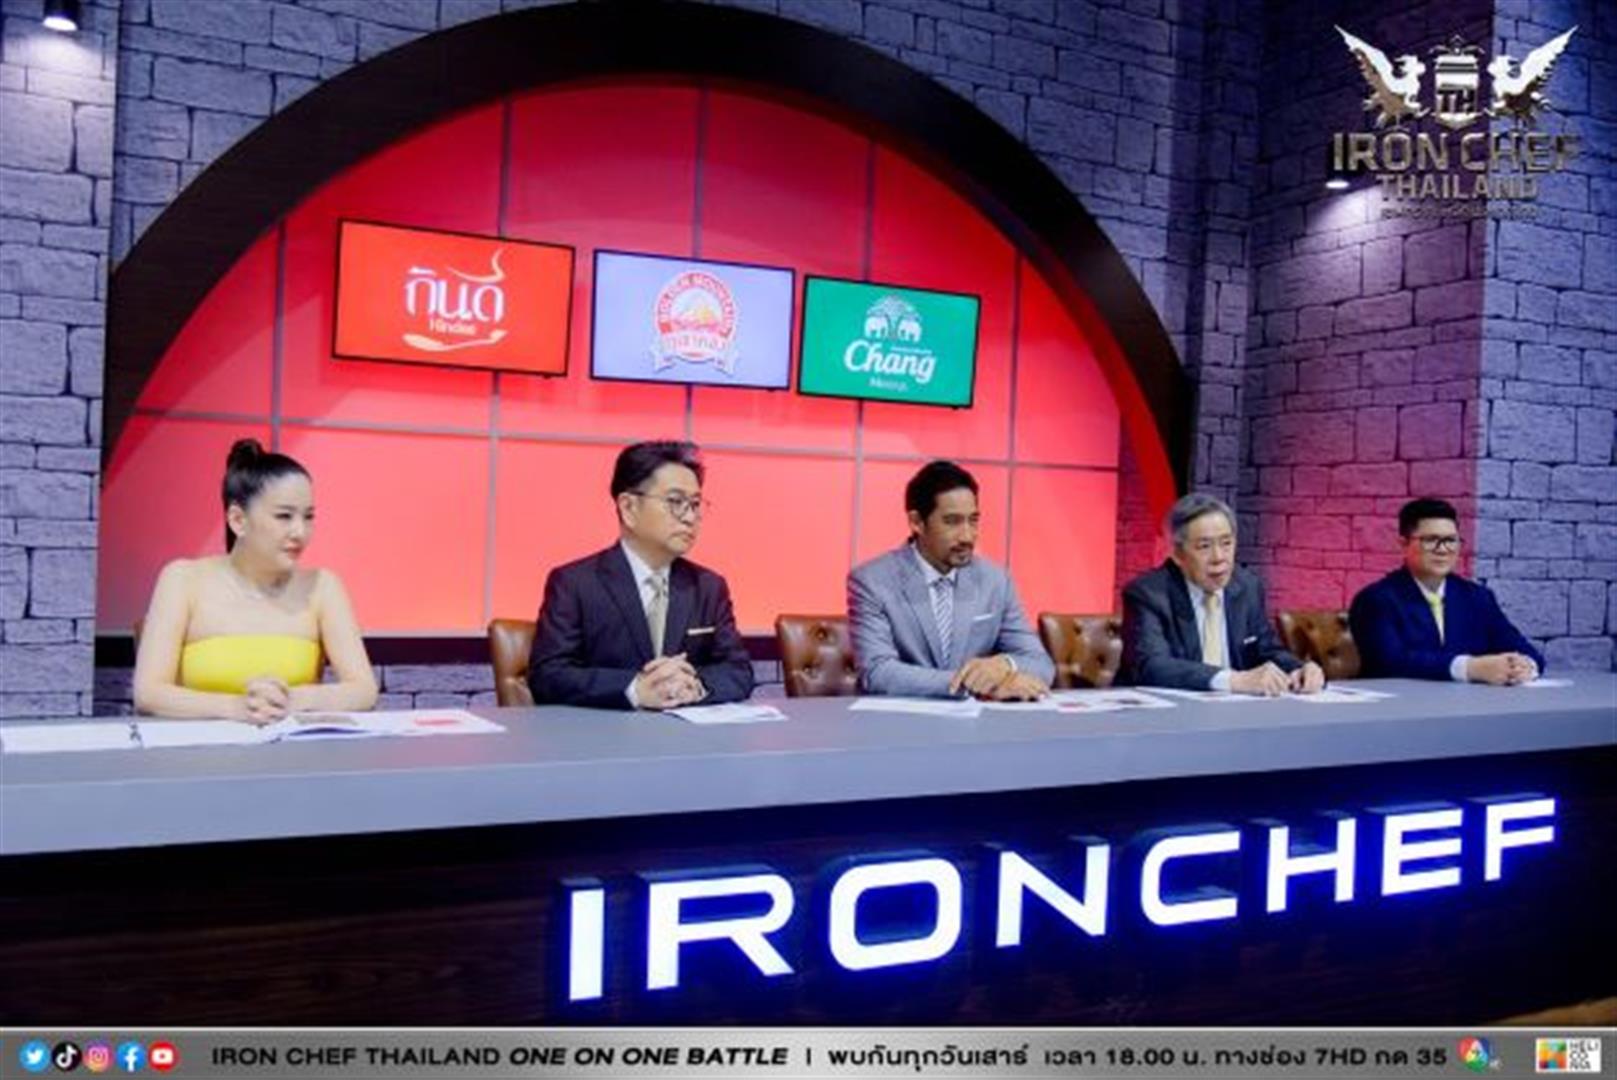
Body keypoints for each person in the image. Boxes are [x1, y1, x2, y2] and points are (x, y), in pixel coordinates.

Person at [133, 439, 378, 722]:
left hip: (292, 745)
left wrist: (293, 699)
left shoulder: (323, 586)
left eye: (308, 517)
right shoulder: (183, 579)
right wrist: (236, 707)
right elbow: (149, 693)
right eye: (284, 516)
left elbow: (364, 690)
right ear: (238, 520)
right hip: (200, 747)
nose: (300, 532)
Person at [528, 440, 753, 709]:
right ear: (629, 508)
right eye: (675, 502)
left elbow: (738, 671)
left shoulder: (708, 587)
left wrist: (695, 685)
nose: (690, 518)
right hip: (605, 732)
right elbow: (548, 676)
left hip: (688, 732)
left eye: (695, 504)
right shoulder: (575, 583)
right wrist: (635, 689)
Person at [847, 460, 1052, 700]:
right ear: (916, 522)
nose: (967, 536)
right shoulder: (872, 581)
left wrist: (1006, 665)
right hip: (901, 720)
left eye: (973, 520)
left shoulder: (996, 581)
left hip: (980, 721)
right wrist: (976, 684)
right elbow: (877, 672)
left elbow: (1040, 664)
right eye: (952, 521)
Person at [1121, 492, 1323, 695]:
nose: (1219, 557)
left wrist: (1297, 669)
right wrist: (1233, 680)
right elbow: (1150, 665)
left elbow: (1266, 649)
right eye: (1204, 546)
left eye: (1226, 543)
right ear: (1177, 554)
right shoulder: (1148, 594)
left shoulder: (1247, 587)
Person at [1349, 497, 1545, 684]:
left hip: (1471, 703)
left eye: (1451, 540)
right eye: (1431, 540)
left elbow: (1523, 649)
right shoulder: (1376, 600)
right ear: (1404, 544)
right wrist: (1470, 668)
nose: (1443, 549)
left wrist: (1524, 666)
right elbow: (1390, 662)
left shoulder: (1478, 597)